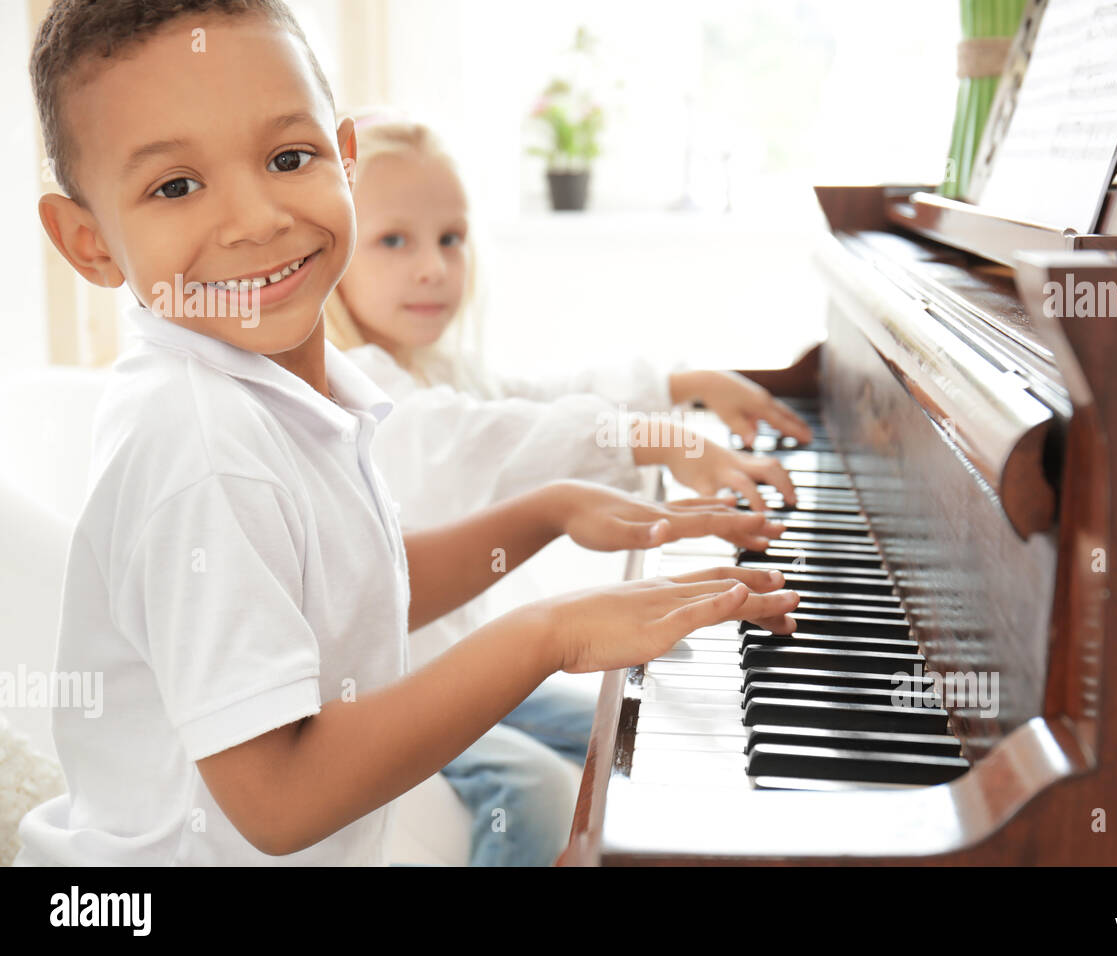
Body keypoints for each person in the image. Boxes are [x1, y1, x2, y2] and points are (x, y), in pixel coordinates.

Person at [15, 0, 798, 866]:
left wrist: (547, 511)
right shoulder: (199, 446)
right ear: (88, 242)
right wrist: (549, 633)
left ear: (344, 159)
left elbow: (354, 594)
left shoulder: (283, 392)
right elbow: (278, 801)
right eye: (176, 186)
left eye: (288, 157)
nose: (257, 219)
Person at [322, 115, 814, 864]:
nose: (433, 267)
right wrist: (654, 437)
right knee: (532, 789)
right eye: (395, 240)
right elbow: (478, 440)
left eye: (451, 239)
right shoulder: (356, 383)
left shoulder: (437, 366)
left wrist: (679, 387)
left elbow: (539, 397)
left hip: (459, 671)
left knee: (614, 726)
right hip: (387, 699)